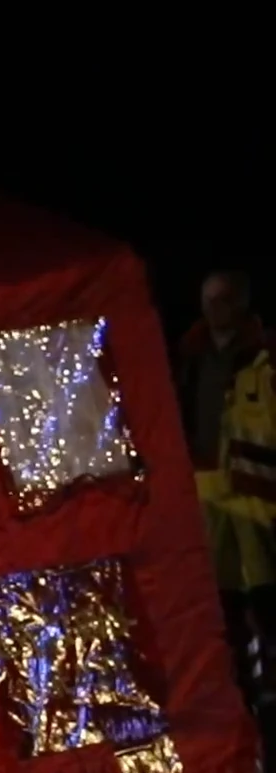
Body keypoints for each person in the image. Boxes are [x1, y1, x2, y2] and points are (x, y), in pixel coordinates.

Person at [175, 272, 273, 710]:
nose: (217, 308)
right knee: (224, 601)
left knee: (267, 598)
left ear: (243, 302)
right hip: (206, 488)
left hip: (258, 493)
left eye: (225, 299)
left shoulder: (266, 356)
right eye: (209, 299)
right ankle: (242, 692)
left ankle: (266, 688)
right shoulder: (190, 357)